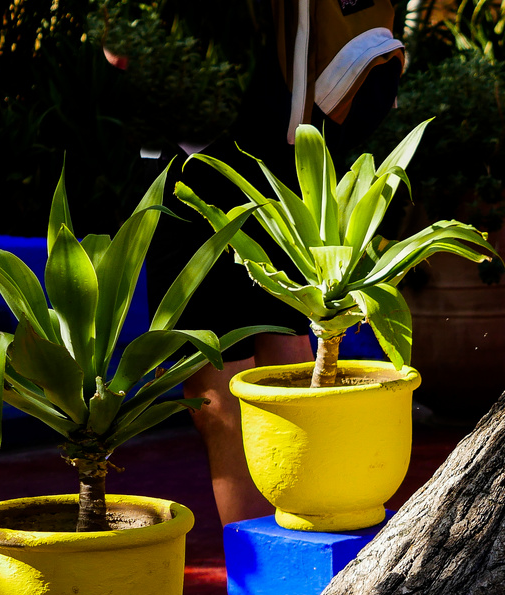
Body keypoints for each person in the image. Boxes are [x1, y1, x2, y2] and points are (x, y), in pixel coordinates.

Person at [140, 0, 406, 523]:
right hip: (292, 151)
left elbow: (189, 86)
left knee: (222, 402)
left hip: (210, 165)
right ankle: (306, 543)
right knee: (284, 363)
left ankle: (267, 577)